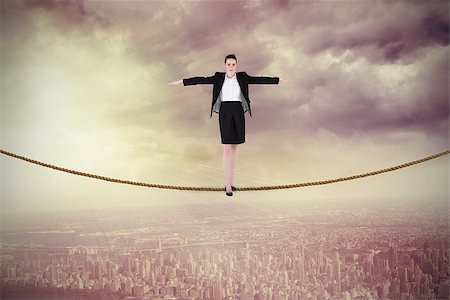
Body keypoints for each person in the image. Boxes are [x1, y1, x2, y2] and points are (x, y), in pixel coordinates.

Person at [168, 54, 286, 196]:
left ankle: (231, 182)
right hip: (224, 111)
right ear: (225, 65)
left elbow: (260, 79)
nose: (231, 67)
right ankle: (228, 185)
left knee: (235, 149)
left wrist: (280, 80)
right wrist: (182, 81)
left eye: (233, 64)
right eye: (229, 64)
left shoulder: (242, 77)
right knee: (226, 148)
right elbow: (201, 80)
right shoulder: (219, 77)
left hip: (238, 111)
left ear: (236, 65)